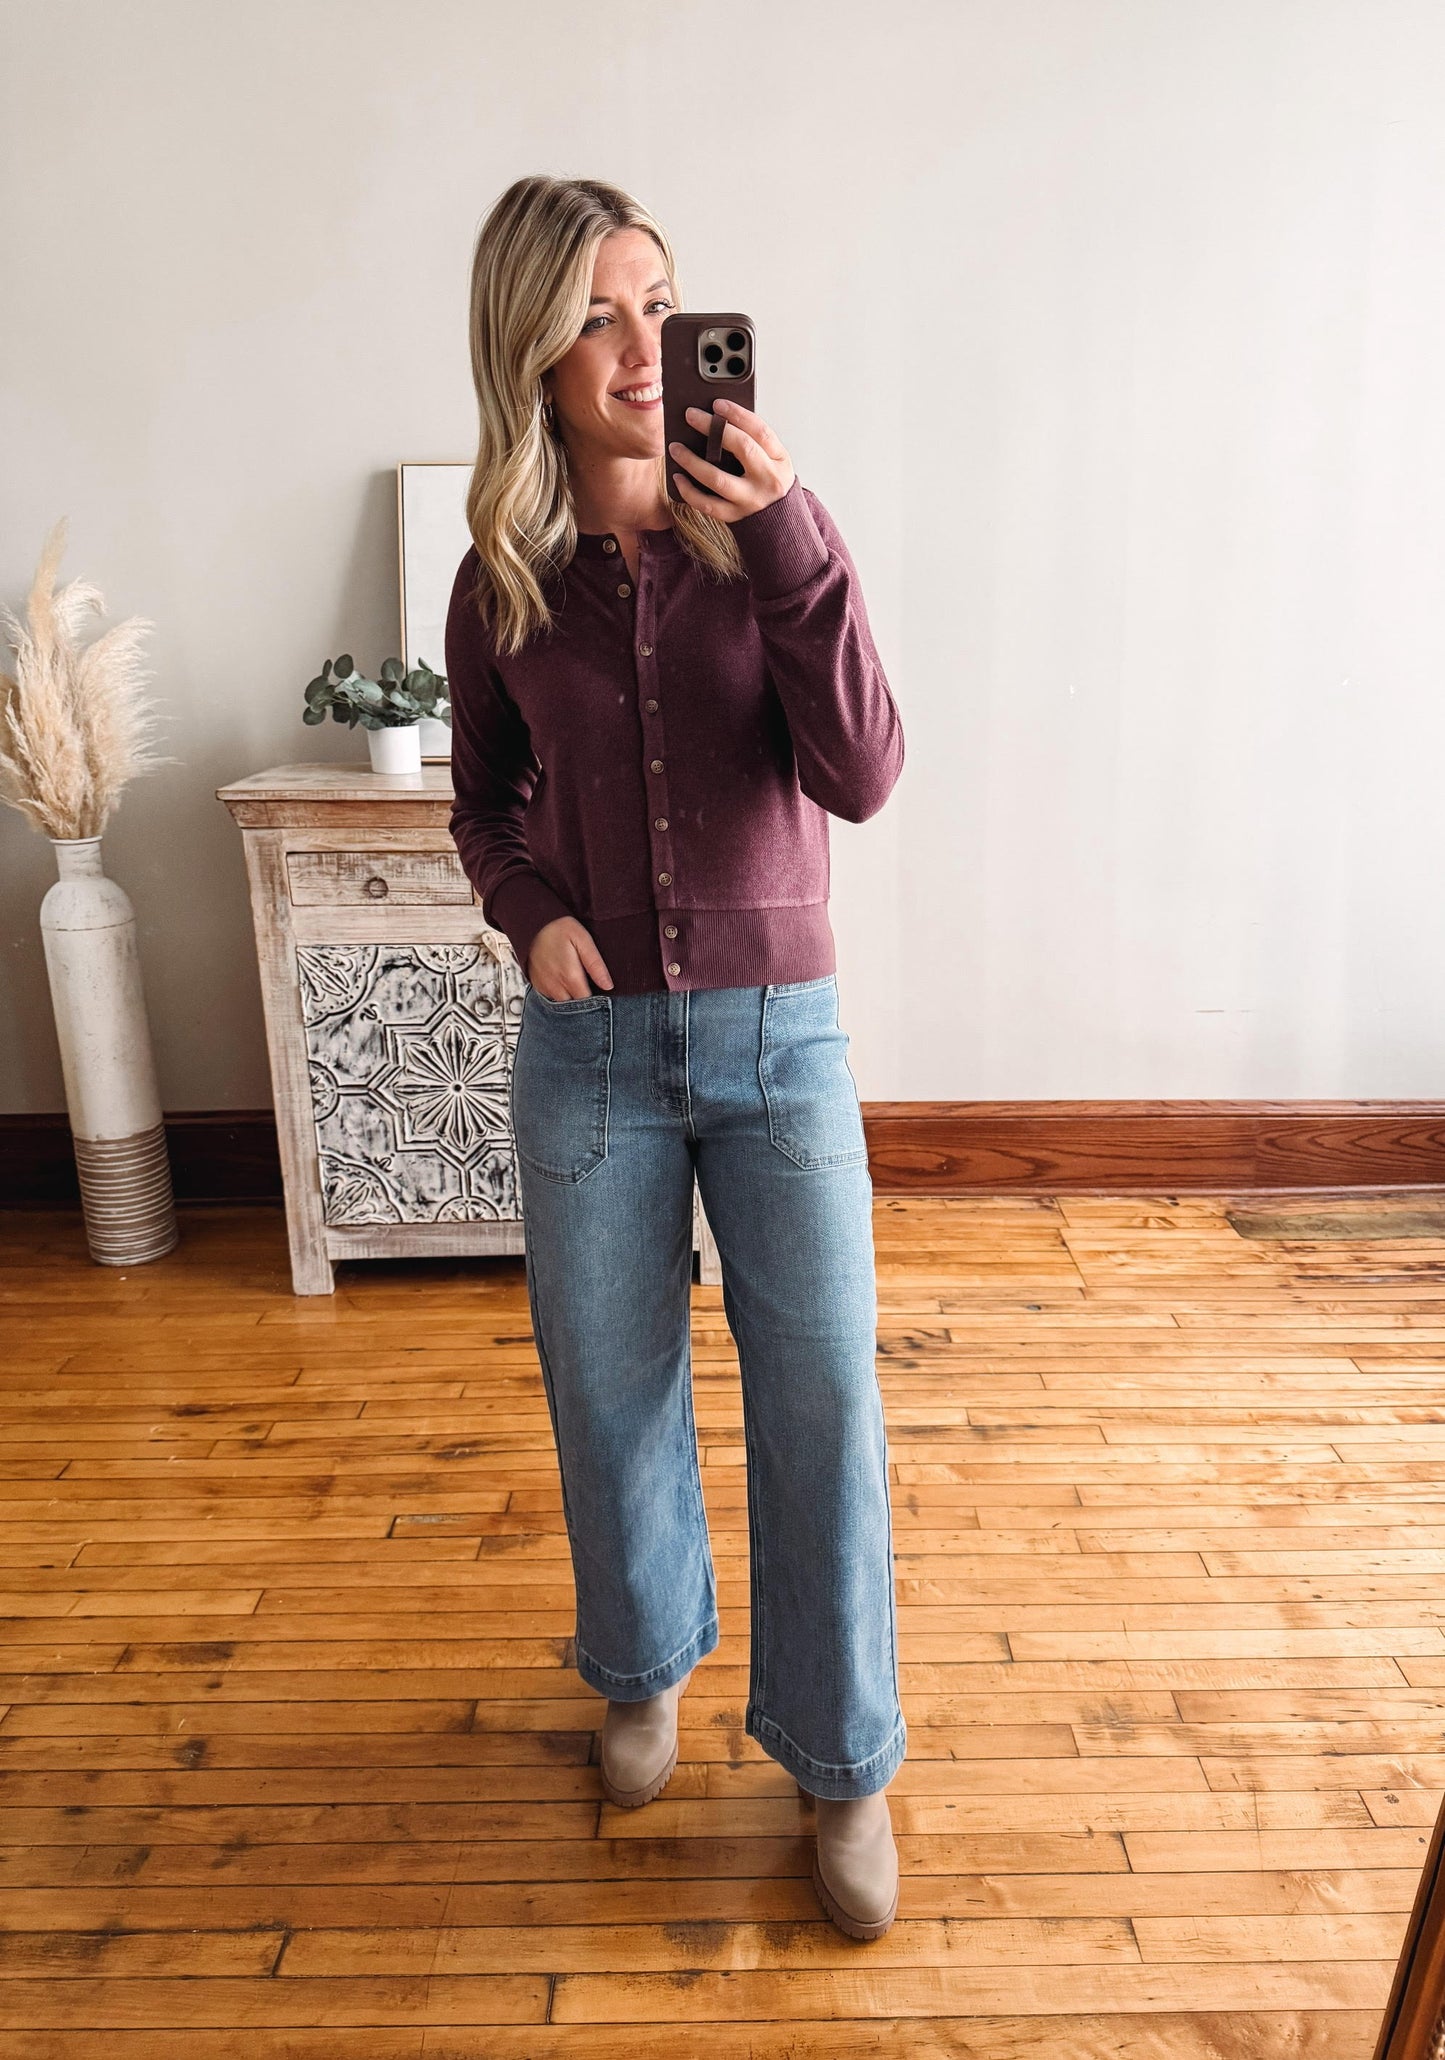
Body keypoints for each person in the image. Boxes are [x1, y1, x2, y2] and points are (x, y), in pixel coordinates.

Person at [445, 174, 907, 1941]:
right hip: (588, 1057)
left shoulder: (777, 530)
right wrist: (527, 911)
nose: (643, 349)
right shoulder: (497, 575)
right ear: (533, 356)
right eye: (596, 316)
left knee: (824, 1403)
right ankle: (640, 1669)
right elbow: (489, 803)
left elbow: (860, 772)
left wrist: (790, 538)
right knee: (608, 1388)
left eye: (660, 304)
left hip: (781, 1045)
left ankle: (842, 1759)